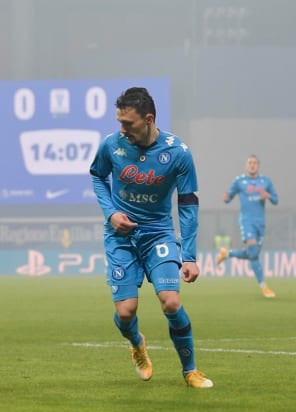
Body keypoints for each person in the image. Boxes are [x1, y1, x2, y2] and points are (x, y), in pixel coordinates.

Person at [88, 87, 213, 389]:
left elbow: (187, 204)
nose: (122, 129)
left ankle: (191, 371)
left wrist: (191, 256)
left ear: (148, 119)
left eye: (127, 123)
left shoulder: (178, 153)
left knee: (171, 302)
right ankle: (136, 343)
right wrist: (110, 214)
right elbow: (97, 176)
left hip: (158, 233)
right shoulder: (111, 146)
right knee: (126, 311)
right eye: (119, 122)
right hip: (120, 237)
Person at [217, 155, 278, 298]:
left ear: (258, 166)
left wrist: (268, 195)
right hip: (246, 221)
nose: (252, 165)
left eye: (255, 163)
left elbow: (276, 200)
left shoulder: (266, 181)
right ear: (246, 166)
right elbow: (228, 197)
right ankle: (264, 286)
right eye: (250, 163)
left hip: (260, 223)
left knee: (253, 253)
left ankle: (227, 253)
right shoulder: (240, 181)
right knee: (254, 253)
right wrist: (226, 197)